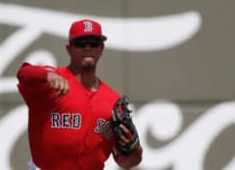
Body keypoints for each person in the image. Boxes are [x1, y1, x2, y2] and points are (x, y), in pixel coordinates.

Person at [17, 19, 143, 170]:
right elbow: (23, 73)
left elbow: (125, 162)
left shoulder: (113, 101)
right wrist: (47, 76)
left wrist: (135, 150)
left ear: (102, 48)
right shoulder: (51, 81)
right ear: (69, 48)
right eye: (81, 43)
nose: (88, 48)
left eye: (94, 43)